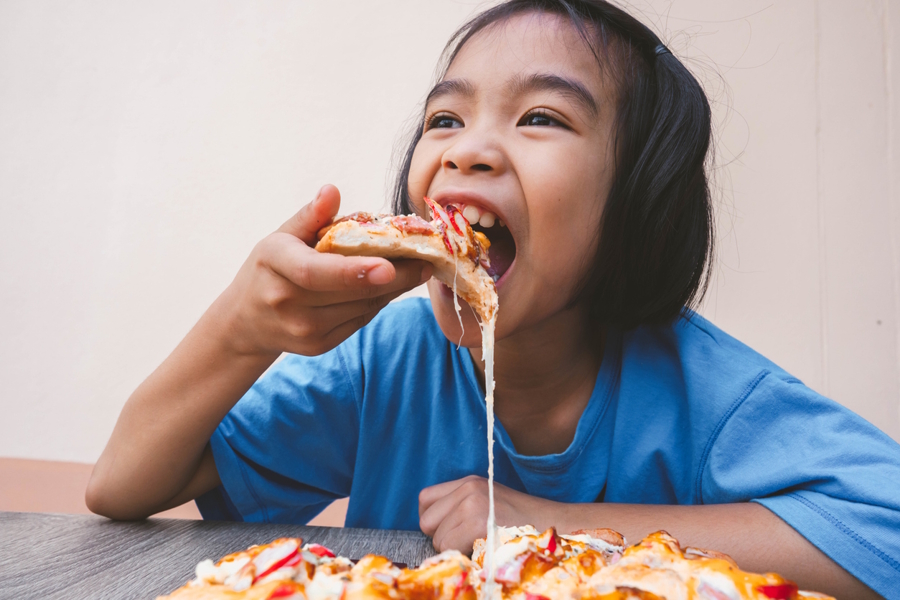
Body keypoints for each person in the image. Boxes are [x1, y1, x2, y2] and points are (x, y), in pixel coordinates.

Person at [86, 1, 900, 598]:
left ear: (637, 202)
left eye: (540, 116)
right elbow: (124, 486)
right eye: (445, 118)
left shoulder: (703, 390)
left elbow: (886, 532)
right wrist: (242, 327)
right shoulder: (387, 359)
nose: (467, 149)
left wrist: (548, 526)